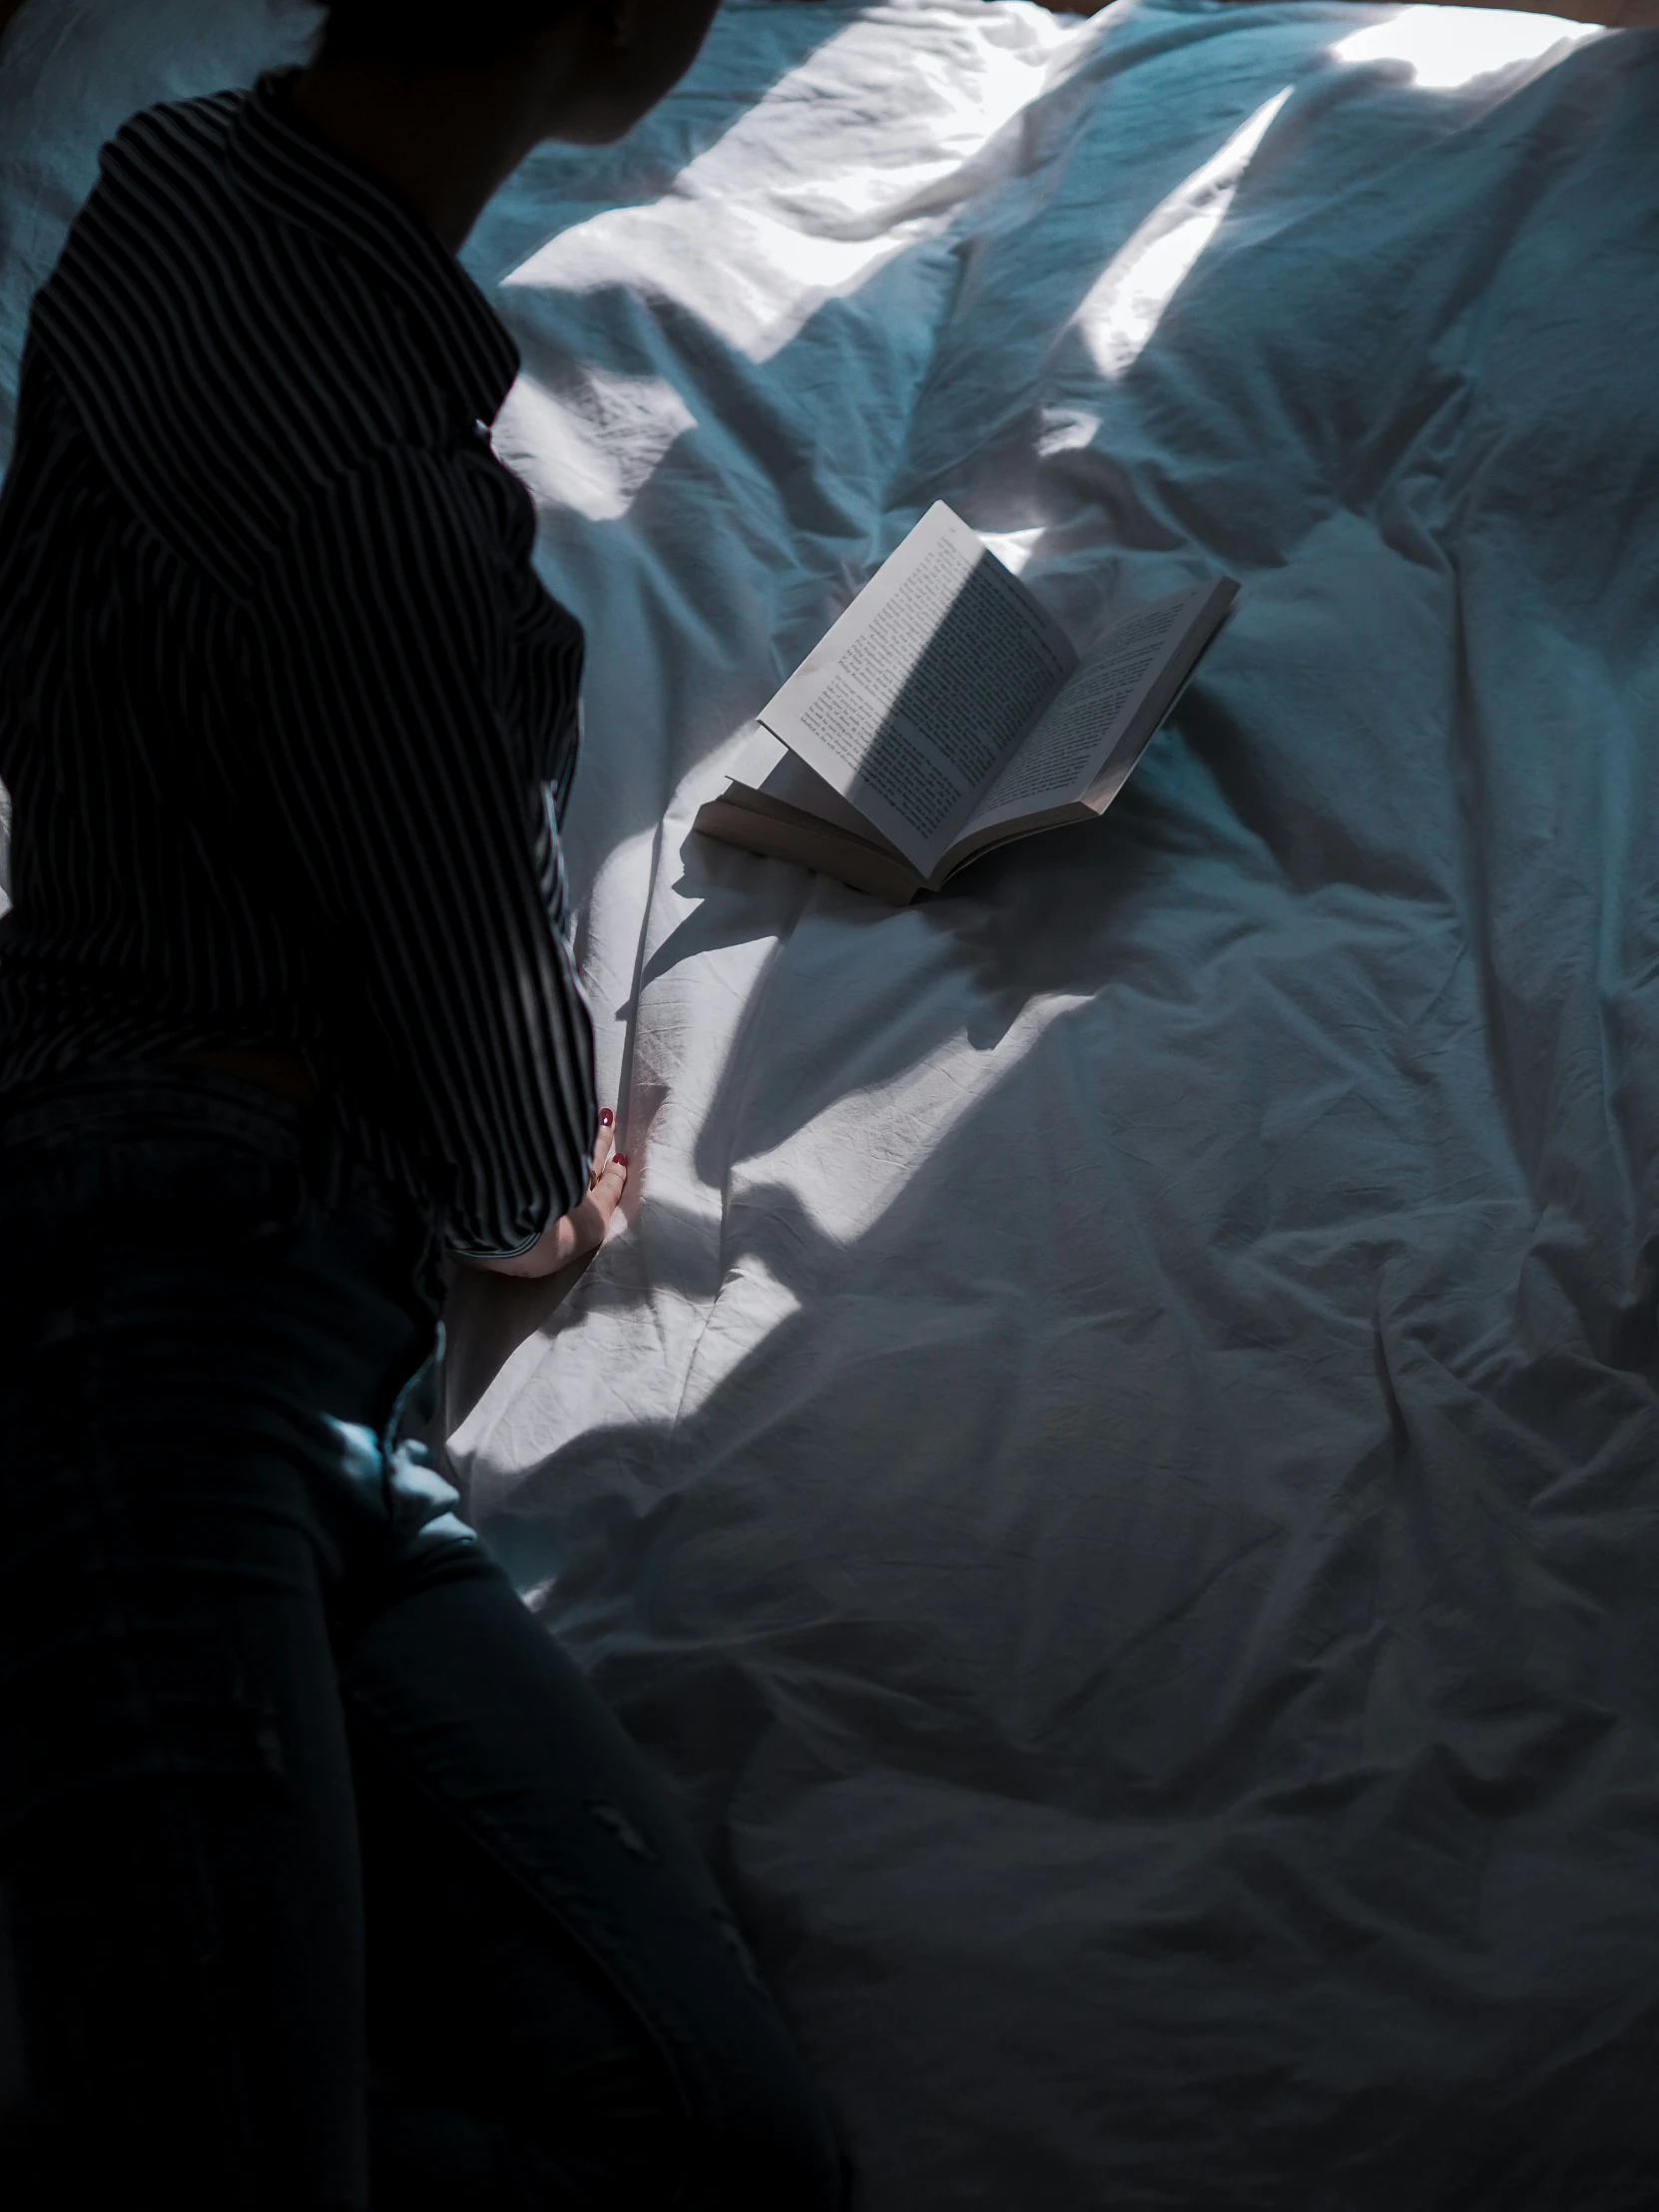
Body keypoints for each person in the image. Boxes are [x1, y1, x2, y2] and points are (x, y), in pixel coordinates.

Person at [0, 0, 843, 2204]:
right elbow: (498, 1133)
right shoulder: (374, 503)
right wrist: (535, 1196)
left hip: (305, 1338)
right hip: (158, 1287)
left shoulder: (170, 178)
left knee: (729, 2145)